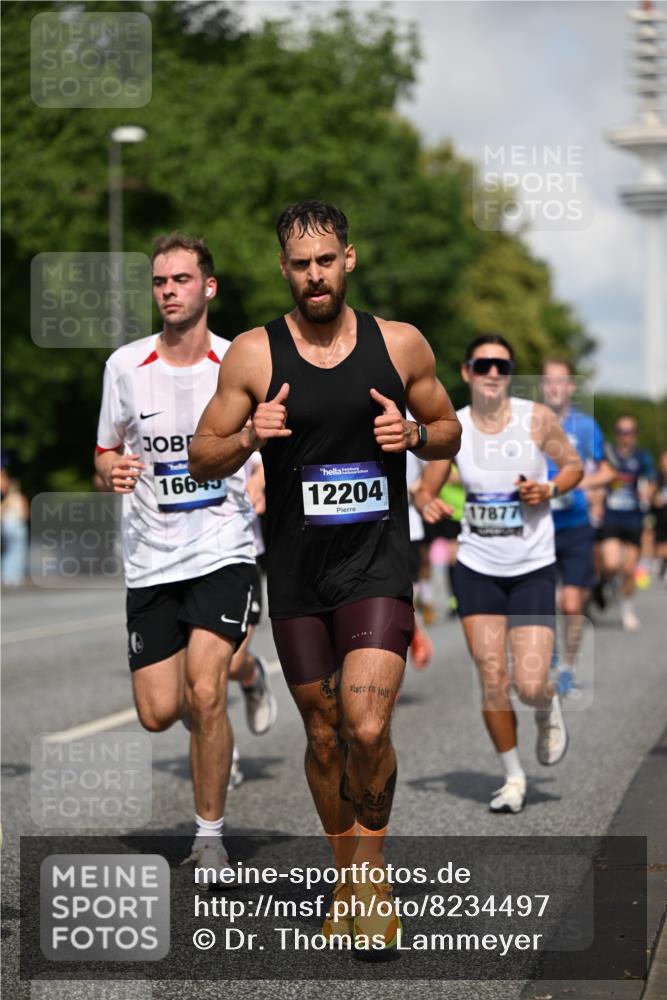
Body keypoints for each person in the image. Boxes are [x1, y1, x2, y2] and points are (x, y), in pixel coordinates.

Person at [189, 200, 461, 947]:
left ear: (348, 259)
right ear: (285, 269)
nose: (313, 275)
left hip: (376, 564)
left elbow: (448, 430)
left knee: (367, 723)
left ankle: (368, 876)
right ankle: (346, 871)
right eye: (299, 264)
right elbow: (199, 453)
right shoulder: (252, 353)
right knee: (323, 734)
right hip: (299, 573)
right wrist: (249, 434)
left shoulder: (399, 345)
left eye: (325, 260)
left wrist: (410, 433)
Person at [94, 233, 276, 885]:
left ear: (208, 287)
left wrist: (258, 480)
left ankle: (209, 839)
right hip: (150, 558)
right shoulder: (123, 366)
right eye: (159, 281)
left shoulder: (240, 362)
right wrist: (110, 472)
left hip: (221, 547)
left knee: (204, 692)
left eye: (180, 279)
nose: (168, 290)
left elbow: (263, 452)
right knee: (156, 712)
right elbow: (104, 453)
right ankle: (250, 673)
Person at [416, 335, 583, 815]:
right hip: (477, 567)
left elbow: (572, 466)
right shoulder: (456, 427)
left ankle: (546, 708)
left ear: (509, 374)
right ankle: (513, 776)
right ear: (467, 372)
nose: (493, 372)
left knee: (529, 684)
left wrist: (548, 488)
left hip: (531, 566)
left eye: (502, 366)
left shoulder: (536, 418)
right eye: (483, 364)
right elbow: (428, 485)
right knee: (492, 677)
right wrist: (425, 500)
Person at [540, 359, 615, 696]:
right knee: (542, 601)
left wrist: (576, 484)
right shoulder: (530, 421)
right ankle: (548, 662)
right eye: (549, 381)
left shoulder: (585, 426)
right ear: (543, 386)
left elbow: (607, 472)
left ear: (570, 386)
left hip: (575, 525)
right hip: (538, 524)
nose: (555, 387)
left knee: (571, 604)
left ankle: (567, 667)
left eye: (561, 381)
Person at [597, 415, 656, 631]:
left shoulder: (642, 457)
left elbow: (651, 482)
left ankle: (627, 607)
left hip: (633, 518)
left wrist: (648, 492)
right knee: (611, 563)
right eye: (621, 431)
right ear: (616, 433)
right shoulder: (609, 454)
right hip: (612, 516)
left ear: (635, 434)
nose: (625, 436)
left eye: (629, 432)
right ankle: (605, 584)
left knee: (630, 570)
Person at [1, 469, 29, 587]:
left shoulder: (6, 500)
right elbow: (25, 514)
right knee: (17, 551)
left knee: (7, 552)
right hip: (17, 525)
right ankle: (14, 576)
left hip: (6, 526)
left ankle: (6, 576)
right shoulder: (20, 498)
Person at [651, 450, 667, 586]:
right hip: (660, 516)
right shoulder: (658, 478)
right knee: (661, 546)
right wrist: (655, 499)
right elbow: (652, 495)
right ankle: (661, 564)